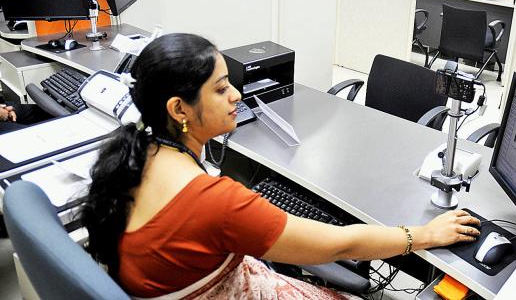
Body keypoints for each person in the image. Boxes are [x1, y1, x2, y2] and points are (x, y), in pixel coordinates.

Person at [80, 33, 481, 298]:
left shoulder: (138, 154)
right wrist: (423, 235)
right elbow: (340, 244)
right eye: (221, 88)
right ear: (179, 109)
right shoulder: (214, 202)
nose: (237, 93)